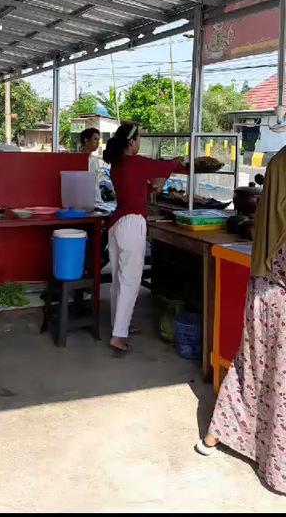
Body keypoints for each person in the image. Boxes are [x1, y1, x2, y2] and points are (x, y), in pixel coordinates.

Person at [196, 145, 286, 495]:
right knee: (275, 379)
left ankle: (216, 434)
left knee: (251, 367)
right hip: (279, 302)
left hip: (261, 292)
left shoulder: (279, 167)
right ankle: (275, 464)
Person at [103, 122, 187, 353]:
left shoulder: (117, 165)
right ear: (131, 143)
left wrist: (152, 189)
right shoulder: (136, 162)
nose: (140, 142)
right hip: (132, 223)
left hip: (116, 223)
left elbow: (134, 191)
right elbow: (163, 165)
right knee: (130, 279)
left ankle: (119, 326)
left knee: (119, 280)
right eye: (139, 138)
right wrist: (177, 162)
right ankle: (118, 336)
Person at [80, 127, 103, 208]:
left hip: (97, 200)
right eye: (95, 139)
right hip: (83, 201)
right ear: (86, 141)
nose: (98, 143)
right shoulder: (77, 160)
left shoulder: (95, 160)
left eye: (98, 140)